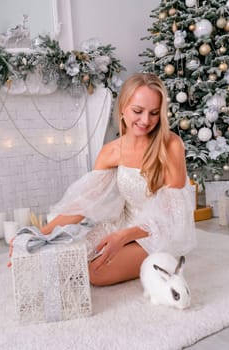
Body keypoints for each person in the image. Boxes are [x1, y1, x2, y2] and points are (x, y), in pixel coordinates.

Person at [40, 73, 197, 286]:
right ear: (122, 108)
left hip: (160, 233)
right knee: (67, 257)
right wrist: (41, 235)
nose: (145, 121)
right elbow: (85, 201)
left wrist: (123, 237)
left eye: (153, 113)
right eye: (138, 111)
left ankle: (164, 262)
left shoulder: (171, 146)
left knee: (95, 273)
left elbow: (173, 215)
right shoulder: (110, 152)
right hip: (122, 224)